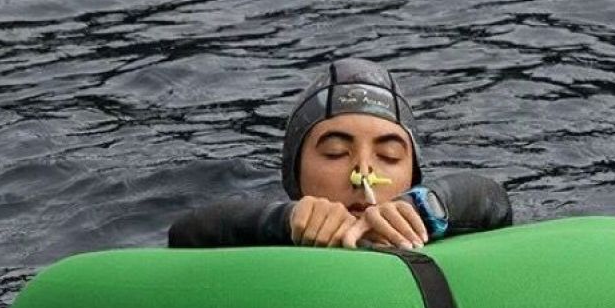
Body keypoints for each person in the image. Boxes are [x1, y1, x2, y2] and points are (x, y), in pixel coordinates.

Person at [168, 58, 512, 249]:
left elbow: (494, 201)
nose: (363, 172)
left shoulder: (434, 219)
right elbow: (187, 232)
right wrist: (283, 220)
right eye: (335, 152)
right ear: (295, 175)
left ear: (413, 176)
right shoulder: (267, 234)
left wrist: (425, 207)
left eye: (390, 156)